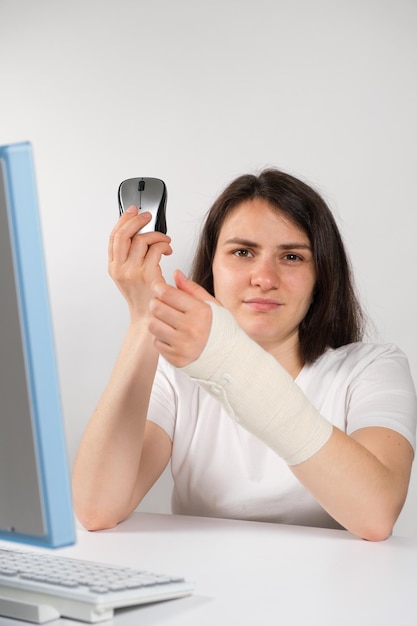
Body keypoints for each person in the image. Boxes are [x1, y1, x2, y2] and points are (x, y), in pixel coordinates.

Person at [72, 169, 417, 541]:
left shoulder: (371, 368)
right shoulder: (174, 375)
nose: (264, 277)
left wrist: (229, 360)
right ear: (212, 267)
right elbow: (97, 508)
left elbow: (376, 514)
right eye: (242, 252)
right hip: (206, 590)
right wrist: (144, 316)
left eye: (292, 256)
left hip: (332, 593)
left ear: (322, 275)